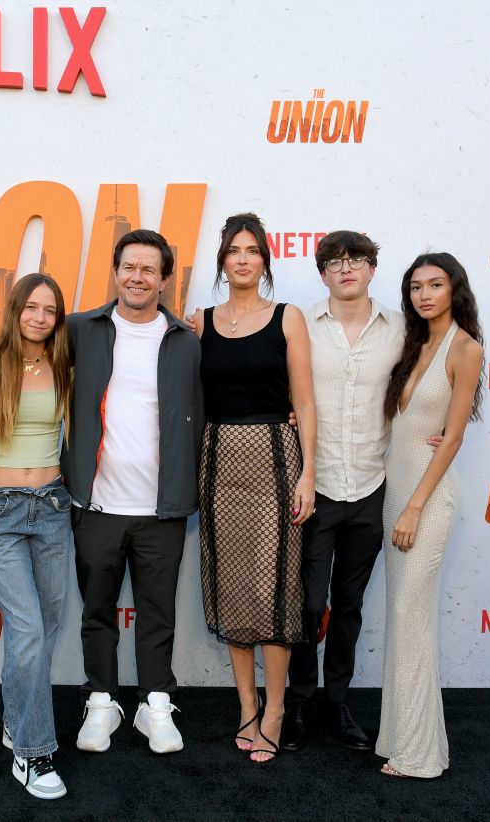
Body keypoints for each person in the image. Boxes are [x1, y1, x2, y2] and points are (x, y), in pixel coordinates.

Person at [62, 228, 204, 754]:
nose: (138, 276)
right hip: (95, 504)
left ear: (165, 279)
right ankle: (101, 699)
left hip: (162, 509)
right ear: (116, 272)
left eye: (149, 268)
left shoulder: (188, 341)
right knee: (96, 611)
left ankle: (155, 704)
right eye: (129, 266)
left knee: (157, 612)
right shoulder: (81, 329)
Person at [193, 213, 317, 763]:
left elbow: (306, 402)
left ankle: (275, 710)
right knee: (233, 587)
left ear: (265, 260)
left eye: (253, 250)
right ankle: (246, 706)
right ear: (222, 260)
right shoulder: (199, 323)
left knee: (276, 589)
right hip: (218, 462)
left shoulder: (289, 318)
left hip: (274, 459)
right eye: (234, 250)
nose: (243, 258)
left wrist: (309, 471)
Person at [284, 231, 410, 753]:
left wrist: (439, 426)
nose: (346, 269)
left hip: (372, 486)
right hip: (317, 486)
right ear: (322, 273)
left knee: (349, 605)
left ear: (372, 269)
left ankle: (336, 704)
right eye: (334, 262)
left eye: (357, 260)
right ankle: (297, 701)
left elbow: (426, 384)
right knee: (308, 604)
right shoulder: (302, 325)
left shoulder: (400, 330)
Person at [376, 252, 483, 779]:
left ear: (454, 289)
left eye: (435, 285)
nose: (424, 294)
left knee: (411, 617)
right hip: (395, 494)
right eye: (416, 286)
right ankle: (399, 735)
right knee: (401, 617)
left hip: (427, 499)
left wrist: (416, 506)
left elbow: (456, 434)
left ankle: (421, 755)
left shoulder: (466, 348)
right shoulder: (413, 344)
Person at [0, 273, 72, 799]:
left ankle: (17, 723)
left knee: (41, 630)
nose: (39, 317)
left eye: (49, 310)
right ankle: (35, 755)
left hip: (53, 508)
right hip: (2, 514)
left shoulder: (65, 366)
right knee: (29, 632)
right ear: (15, 311)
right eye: (31, 307)